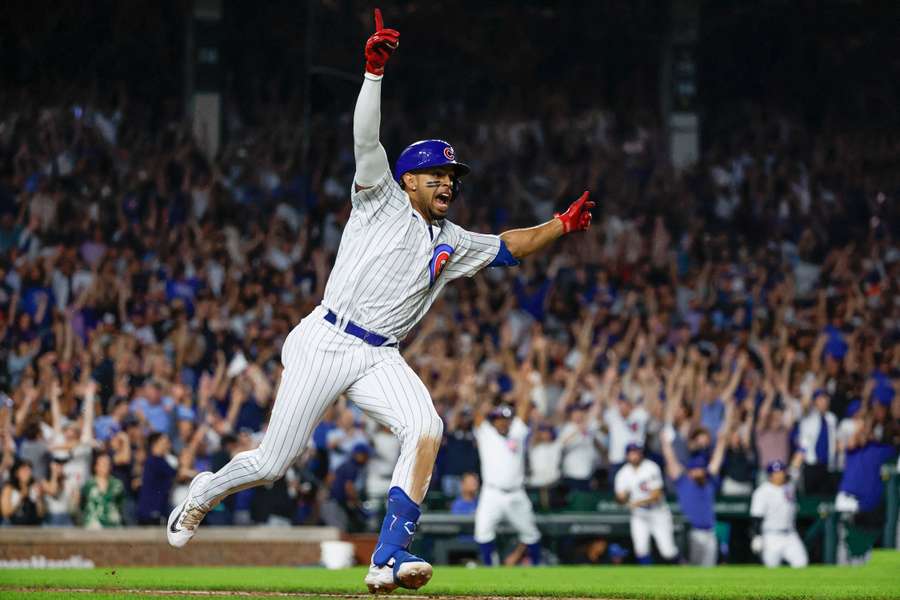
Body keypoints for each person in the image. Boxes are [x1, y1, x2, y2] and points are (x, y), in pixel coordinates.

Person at [164, 8, 593, 594]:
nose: (448, 182)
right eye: (437, 174)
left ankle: (387, 558)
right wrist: (372, 73)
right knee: (272, 464)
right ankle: (204, 492)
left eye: (452, 176)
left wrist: (559, 227)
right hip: (327, 338)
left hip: (379, 354)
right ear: (409, 178)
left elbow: (509, 247)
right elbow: (366, 138)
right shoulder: (379, 199)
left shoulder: (453, 240)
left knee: (425, 427)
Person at [472, 401, 542, 567]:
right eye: (499, 418)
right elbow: (477, 416)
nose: (503, 422)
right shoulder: (486, 434)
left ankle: (538, 567)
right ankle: (490, 568)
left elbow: (524, 411)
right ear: (494, 421)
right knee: (482, 532)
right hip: (492, 493)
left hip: (516, 493)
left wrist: (527, 384)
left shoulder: (516, 433)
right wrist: (475, 396)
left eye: (507, 418)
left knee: (531, 533)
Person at [661, 408, 730, 566]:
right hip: (690, 533)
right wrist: (665, 443)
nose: (699, 471)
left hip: (709, 532)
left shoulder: (709, 480)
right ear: (690, 470)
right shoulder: (683, 480)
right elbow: (671, 459)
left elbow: (717, 458)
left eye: (701, 468)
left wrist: (721, 440)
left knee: (708, 574)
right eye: (696, 469)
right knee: (689, 572)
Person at [614, 443, 678, 564]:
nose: (634, 455)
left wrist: (637, 502)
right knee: (641, 549)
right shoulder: (623, 473)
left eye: (636, 452)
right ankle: (648, 578)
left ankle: (682, 568)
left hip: (658, 513)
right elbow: (619, 498)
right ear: (627, 455)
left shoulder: (651, 467)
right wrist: (622, 498)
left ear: (641, 453)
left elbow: (656, 495)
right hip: (639, 515)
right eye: (631, 453)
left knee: (668, 551)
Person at [749, 460, 809, 568]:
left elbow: (795, 468)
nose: (780, 475)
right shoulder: (762, 491)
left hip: (790, 534)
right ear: (770, 475)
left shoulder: (789, 486)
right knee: (771, 568)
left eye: (781, 471)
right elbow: (756, 516)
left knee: (801, 563)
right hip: (771, 536)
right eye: (776, 472)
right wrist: (757, 536)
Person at [321, 443, 371, 532]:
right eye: (365, 455)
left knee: (339, 533)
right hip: (334, 506)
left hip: (332, 504)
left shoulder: (346, 464)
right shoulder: (352, 467)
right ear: (358, 455)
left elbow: (330, 479)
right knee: (340, 534)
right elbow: (349, 487)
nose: (367, 458)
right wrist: (357, 503)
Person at [81, 453, 125, 528]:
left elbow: (120, 504)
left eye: (107, 464)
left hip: (113, 526)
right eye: (103, 463)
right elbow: (82, 504)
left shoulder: (117, 485)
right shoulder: (88, 485)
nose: (105, 466)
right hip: (93, 527)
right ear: (96, 466)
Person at [1, 459, 45, 525]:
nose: (28, 473)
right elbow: (5, 512)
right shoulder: (9, 488)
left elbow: (41, 514)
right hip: (13, 526)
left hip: (32, 526)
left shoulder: (34, 486)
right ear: (17, 472)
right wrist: (21, 497)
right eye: (24, 470)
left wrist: (39, 499)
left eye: (29, 470)